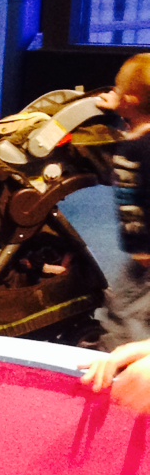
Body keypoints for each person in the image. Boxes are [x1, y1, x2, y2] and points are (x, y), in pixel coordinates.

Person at [87, 54, 150, 351]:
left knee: (128, 318)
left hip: (146, 259)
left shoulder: (143, 149)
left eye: (118, 89)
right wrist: (118, 107)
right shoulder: (134, 138)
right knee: (122, 308)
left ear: (132, 99)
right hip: (138, 257)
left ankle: (118, 363)